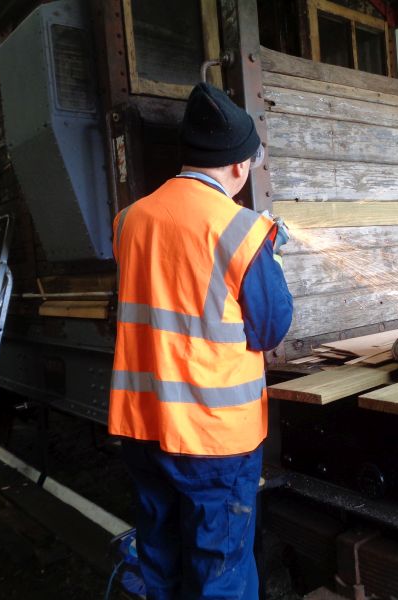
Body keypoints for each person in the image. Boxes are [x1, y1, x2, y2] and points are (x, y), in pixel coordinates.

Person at [109, 82, 293, 600]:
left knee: (160, 561)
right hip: (214, 439)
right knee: (220, 572)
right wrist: (271, 256)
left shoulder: (128, 221)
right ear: (238, 166)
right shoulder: (245, 230)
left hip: (143, 426)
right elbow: (270, 329)